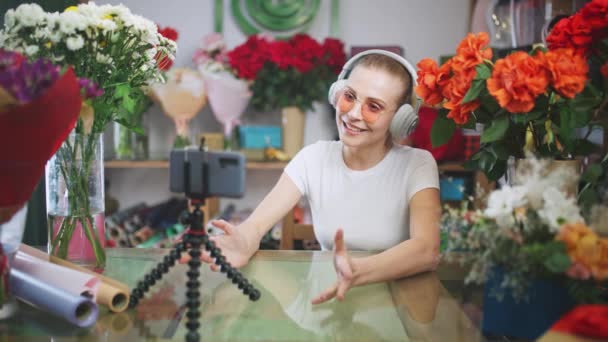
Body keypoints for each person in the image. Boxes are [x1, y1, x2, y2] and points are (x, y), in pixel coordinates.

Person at [193, 49, 441, 305]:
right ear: (337, 94)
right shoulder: (313, 158)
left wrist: (358, 271)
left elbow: (426, 249)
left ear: (401, 120)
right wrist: (243, 241)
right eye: (350, 97)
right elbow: (256, 225)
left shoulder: (418, 164)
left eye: (373, 106)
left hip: (392, 308)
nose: (354, 114)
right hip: (324, 306)